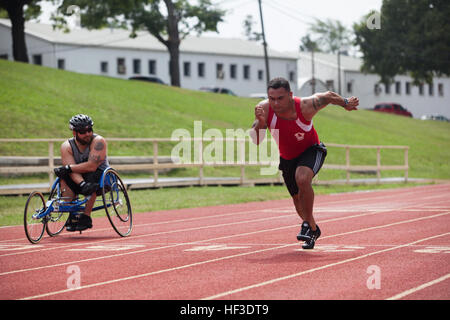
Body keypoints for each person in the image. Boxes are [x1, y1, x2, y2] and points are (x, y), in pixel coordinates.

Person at [250, 77, 359, 249]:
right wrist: (261, 123)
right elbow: (256, 140)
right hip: (287, 158)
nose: (276, 103)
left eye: (280, 98)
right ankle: (313, 229)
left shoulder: (305, 106)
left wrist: (345, 103)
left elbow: (328, 96)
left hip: (312, 150)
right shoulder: (264, 109)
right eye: (272, 98)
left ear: (290, 95)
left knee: (302, 178)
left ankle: (307, 225)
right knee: (297, 201)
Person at [53, 114, 109, 232]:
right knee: (64, 175)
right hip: (79, 178)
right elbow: (71, 170)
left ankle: (86, 216)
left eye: (89, 130)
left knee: (89, 177)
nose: (87, 134)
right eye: (83, 131)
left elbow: (92, 166)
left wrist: (69, 169)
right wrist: (81, 183)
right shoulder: (66, 146)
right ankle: (71, 212)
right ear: (74, 132)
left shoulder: (99, 141)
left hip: (100, 177)